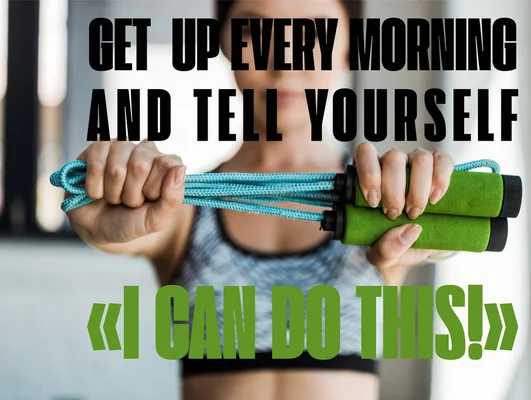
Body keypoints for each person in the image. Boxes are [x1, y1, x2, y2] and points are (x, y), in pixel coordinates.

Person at [66, 0, 455, 398]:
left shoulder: (383, 204)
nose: (285, 61)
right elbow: (119, 229)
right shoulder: (183, 208)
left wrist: (442, 219)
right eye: (255, 31)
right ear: (223, 41)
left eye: (314, 32)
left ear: (350, 45)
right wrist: (95, 209)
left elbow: (434, 243)